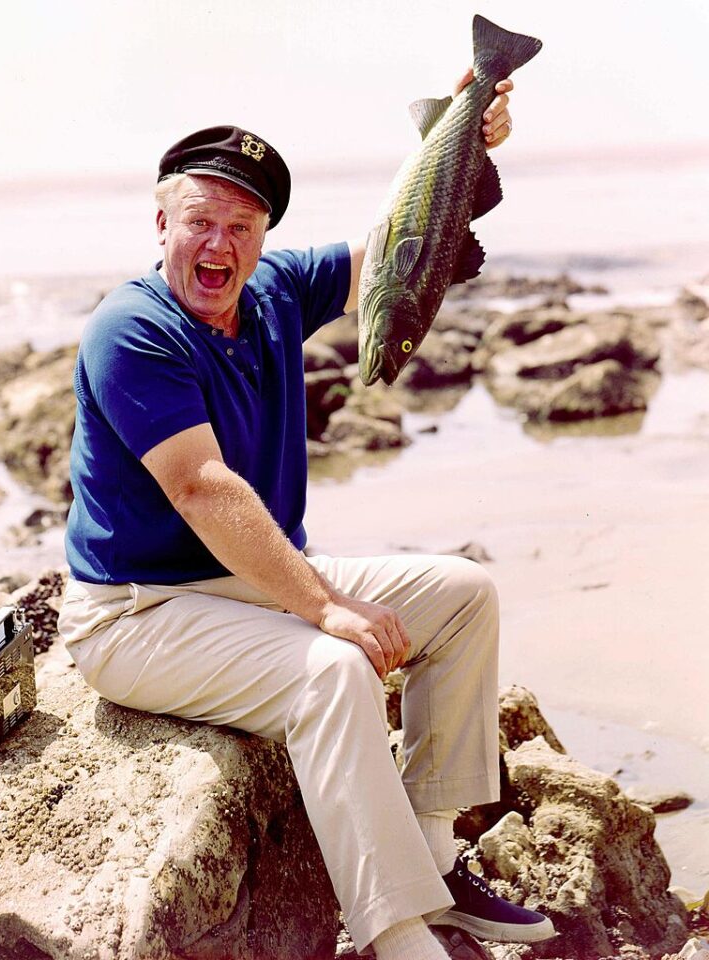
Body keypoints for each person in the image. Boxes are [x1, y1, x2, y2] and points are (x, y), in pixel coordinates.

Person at [58, 69, 555, 960]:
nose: (219, 243)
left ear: (261, 238)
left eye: (240, 227)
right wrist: (321, 604)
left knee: (464, 592)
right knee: (333, 670)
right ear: (161, 223)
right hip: (138, 613)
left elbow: (395, 246)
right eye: (200, 221)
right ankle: (399, 936)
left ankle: (436, 859)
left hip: (243, 582)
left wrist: (459, 142)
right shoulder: (131, 327)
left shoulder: (278, 291)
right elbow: (201, 487)